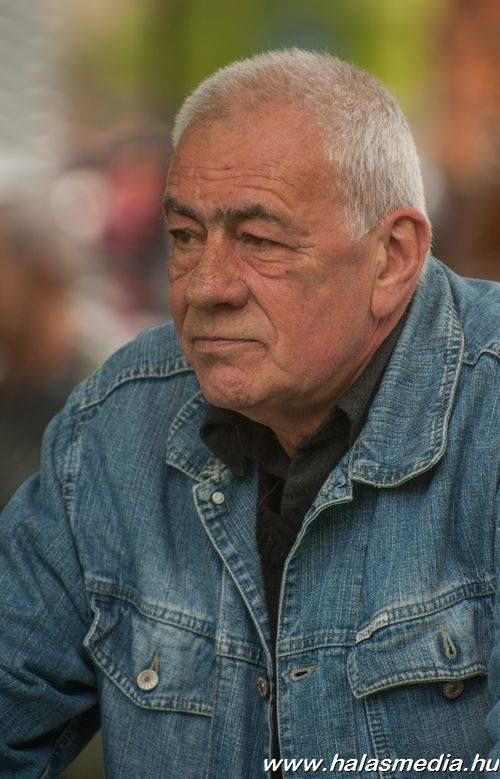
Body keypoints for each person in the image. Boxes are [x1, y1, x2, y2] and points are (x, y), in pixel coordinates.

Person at [0, 50, 498, 779]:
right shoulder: (116, 422)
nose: (206, 286)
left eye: (259, 241)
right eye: (185, 236)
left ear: (392, 257)